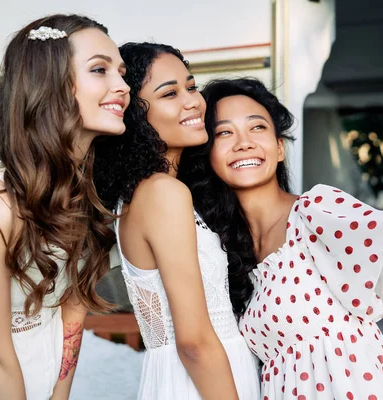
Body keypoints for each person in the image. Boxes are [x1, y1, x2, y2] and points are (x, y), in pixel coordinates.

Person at [179, 43, 383, 399]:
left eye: (257, 128)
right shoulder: (225, 247)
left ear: (279, 148)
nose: (243, 143)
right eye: (224, 133)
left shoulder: (315, 212)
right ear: (209, 155)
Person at [0, 14, 130, 400]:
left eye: (121, 73)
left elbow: (74, 306)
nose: (122, 86)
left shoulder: (90, 182)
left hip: (46, 355)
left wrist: (59, 393)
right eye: (100, 70)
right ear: (50, 81)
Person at [93, 42, 260, 400]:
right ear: (135, 113)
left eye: (191, 86)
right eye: (170, 93)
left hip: (194, 375)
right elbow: (194, 341)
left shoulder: (145, 192)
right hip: (202, 382)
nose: (193, 101)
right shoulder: (163, 193)